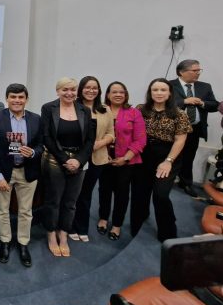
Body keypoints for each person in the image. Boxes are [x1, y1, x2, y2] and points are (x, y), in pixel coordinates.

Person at [0, 83, 43, 267]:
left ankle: (23, 243)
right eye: (13, 97)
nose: (17, 100)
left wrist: (33, 152)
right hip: (4, 173)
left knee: (25, 211)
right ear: (7, 98)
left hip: (28, 171)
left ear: (26, 99)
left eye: (20, 97)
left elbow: (41, 145)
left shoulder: (36, 119)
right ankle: (5, 241)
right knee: (2, 209)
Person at [130, 78, 191, 242]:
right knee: (139, 192)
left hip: (168, 155)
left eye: (163, 90)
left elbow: (180, 140)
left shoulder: (179, 114)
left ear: (170, 93)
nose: (159, 93)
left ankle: (168, 232)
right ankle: (138, 220)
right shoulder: (140, 109)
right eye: (155, 90)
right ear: (150, 92)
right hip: (144, 154)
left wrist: (168, 161)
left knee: (161, 195)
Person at [41, 77, 95, 257]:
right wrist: (65, 159)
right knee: (53, 201)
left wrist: (79, 160)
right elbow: (47, 137)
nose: (69, 93)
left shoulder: (85, 110)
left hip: (78, 161)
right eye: (65, 89)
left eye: (72, 89)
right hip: (55, 160)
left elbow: (90, 140)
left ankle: (63, 234)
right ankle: (51, 234)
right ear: (58, 91)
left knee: (71, 202)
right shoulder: (48, 108)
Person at [97, 81, 146, 241]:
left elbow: (140, 139)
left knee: (122, 193)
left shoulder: (134, 113)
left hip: (126, 161)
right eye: (114, 92)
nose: (118, 94)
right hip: (103, 158)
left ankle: (117, 224)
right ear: (108, 94)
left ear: (126, 95)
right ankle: (103, 218)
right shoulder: (101, 110)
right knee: (104, 190)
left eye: (121, 92)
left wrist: (125, 158)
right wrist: (104, 154)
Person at [70, 76, 115, 242]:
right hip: (75, 157)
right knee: (72, 194)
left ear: (99, 90)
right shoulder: (72, 107)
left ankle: (82, 227)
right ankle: (69, 226)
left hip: (97, 157)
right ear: (81, 89)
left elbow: (111, 133)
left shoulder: (105, 109)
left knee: (86, 193)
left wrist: (100, 143)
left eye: (94, 88)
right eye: (87, 87)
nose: (91, 91)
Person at [169, 59, 219, 197]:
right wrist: (184, 101)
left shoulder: (205, 86)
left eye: (199, 70)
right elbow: (163, 103)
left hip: (194, 129)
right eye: (195, 70)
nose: (198, 73)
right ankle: (166, 180)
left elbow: (215, 105)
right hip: (173, 129)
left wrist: (202, 103)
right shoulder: (169, 85)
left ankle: (185, 182)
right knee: (170, 155)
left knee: (188, 157)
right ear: (181, 72)